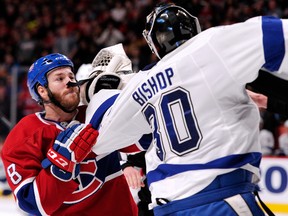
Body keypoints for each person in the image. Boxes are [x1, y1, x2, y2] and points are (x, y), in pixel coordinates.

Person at [83, 3, 288, 215]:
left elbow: (99, 140)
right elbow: (277, 34)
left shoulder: (140, 82)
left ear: (154, 43)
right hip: (221, 198)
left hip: (167, 207)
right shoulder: (212, 44)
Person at [0, 53, 138, 215]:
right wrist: (61, 166)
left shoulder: (96, 114)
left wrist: (124, 100)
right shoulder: (25, 134)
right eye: (60, 78)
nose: (70, 82)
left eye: (71, 76)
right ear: (42, 91)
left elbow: (141, 140)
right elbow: (30, 204)